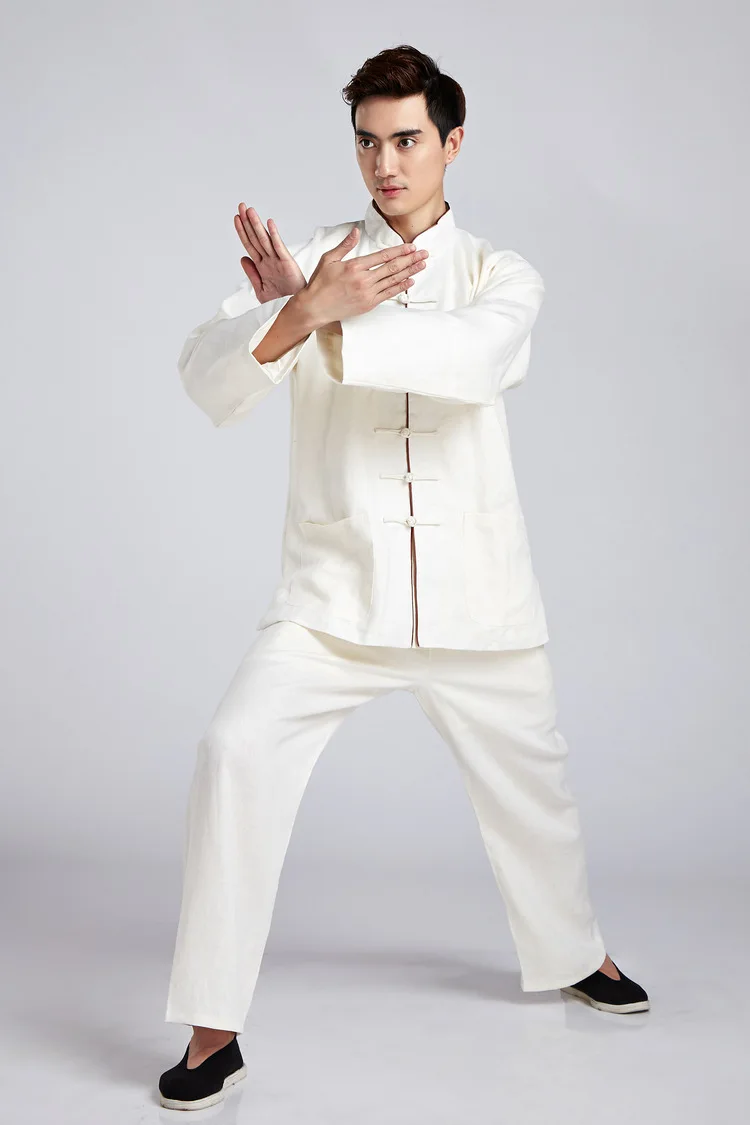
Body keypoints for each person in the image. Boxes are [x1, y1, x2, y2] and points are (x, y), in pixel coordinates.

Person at [158, 43, 649, 1112]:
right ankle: (212, 1026)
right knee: (234, 752)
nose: (386, 163)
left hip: (478, 594)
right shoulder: (316, 260)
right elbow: (205, 374)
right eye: (368, 142)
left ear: (452, 143)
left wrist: (329, 318)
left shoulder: (503, 274)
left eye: (408, 140)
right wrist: (298, 312)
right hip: (335, 593)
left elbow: (472, 361)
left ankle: (577, 952)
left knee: (536, 788)